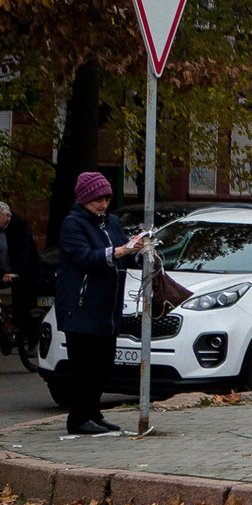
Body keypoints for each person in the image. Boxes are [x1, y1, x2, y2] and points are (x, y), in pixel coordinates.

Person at [54, 172, 144, 438]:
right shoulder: (73, 224)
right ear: (84, 199)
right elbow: (85, 257)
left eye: (105, 198)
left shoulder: (112, 222)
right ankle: (78, 418)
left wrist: (141, 251)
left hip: (108, 307)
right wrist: (121, 252)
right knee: (83, 366)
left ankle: (93, 413)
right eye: (96, 199)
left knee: (103, 365)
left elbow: (125, 253)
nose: (102, 204)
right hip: (80, 306)